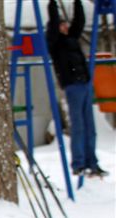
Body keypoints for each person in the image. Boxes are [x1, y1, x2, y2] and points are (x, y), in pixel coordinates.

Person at [47, 0, 108, 177]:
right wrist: (53, 5)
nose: (65, 26)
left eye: (65, 24)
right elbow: (53, 21)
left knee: (90, 127)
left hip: (84, 83)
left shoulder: (71, 38)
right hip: (72, 86)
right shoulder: (55, 43)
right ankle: (79, 164)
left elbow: (79, 21)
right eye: (61, 24)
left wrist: (77, 2)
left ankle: (92, 163)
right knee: (79, 127)